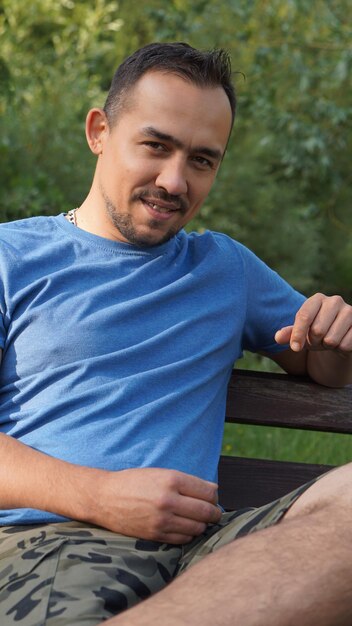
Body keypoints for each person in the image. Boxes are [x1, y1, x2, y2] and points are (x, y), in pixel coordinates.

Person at [0, 42, 351, 626]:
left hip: (209, 552)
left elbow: (320, 367)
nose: (173, 180)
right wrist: (98, 496)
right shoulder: (11, 257)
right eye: (156, 146)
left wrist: (334, 342)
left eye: (202, 160)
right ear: (99, 131)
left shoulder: (226, 269)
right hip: (55, 544)